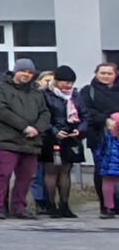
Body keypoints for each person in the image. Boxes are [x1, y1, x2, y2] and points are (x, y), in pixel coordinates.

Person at [0, 59, 49, 219]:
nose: (26, 75)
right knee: (3, 175)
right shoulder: (0, 87)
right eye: (23, 71)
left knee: (26, 177)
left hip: (31, 141)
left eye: (30, 72)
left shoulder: (36, 92)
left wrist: (37, 128)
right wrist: (24, 127)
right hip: (6, 140)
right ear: (15, 71)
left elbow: (45, 113)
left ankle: (19, 207)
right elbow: (0, 110)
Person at [43, 66, 84, 219]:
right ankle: (51, 205)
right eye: (65, 82)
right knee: (52, 171)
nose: (68, 86)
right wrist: (54, 131)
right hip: (51, 137)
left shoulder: (76, 96)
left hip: (70, 137)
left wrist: (79, 130)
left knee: (66, 170)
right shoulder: (45, 95)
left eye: (71, 83)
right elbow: (43, 116)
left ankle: (65, 205)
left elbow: (85, 115)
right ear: (56, 80)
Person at [84, 63, 119, 218]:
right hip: (99, 136)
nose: (105, 76)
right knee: (103, 171)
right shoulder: (88, 91)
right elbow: (86, 111)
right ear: (96, 74)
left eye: (109, 73)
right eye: (102, 73)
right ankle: (106, 206)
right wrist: (105, 119)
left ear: (116, 75)